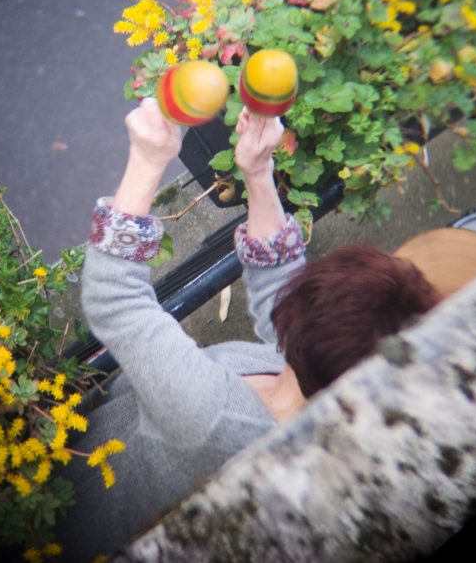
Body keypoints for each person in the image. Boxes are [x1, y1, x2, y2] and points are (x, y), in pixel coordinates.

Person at [54, 98, 445, 562]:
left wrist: (147, 158)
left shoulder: (212, 420)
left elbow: (115, 302)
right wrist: (258, 173)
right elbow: (282, 288)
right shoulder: (324, 385)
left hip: (58, 504)